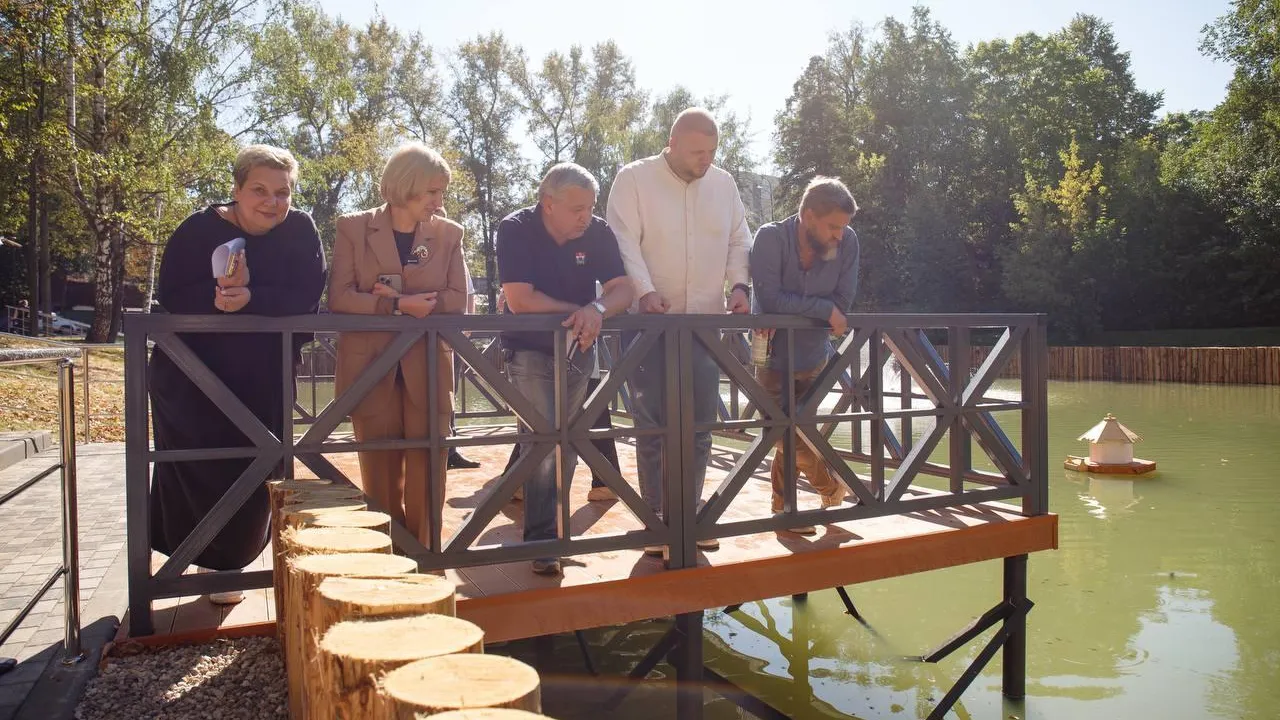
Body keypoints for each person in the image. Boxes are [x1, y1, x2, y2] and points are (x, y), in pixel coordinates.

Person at [149, 144, 326, 604]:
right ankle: (194, 561)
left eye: (282, 192)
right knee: (197, 467)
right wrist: (217, 299)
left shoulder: (302, 229)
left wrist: (252, 298)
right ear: (237, 189)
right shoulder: (196, 229)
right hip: (192, 376)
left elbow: (306, 295)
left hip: (263, 372)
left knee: (257, 466)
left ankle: (231, 567)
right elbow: (171, 293)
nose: (272, 202)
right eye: (260, 190)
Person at [606, 107, 752, 554]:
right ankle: (655, 520)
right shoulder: (633, 179)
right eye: (695, 152)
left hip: (704, 324)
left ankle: (689, 517)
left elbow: (738, 239)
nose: (704, 160)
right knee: (653, 425)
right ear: (671, 143)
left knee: (700, 424)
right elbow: (622, 240)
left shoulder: (724, 185)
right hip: (648, 325)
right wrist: (644, 292)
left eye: (711, 152)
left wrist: (741, 286)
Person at [328, 142, 468, 545]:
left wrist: (418, 304)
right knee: (379, 473)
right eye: (433, 192)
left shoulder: (449, 233)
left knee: (430, 469)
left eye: (442, 192)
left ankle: (427, 557)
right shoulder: (353, 227)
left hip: (429, 366)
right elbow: (338, 298)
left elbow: (458, 299)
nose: (440, 202)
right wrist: (397, 306)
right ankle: (386, 557)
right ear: (406, 187)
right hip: (369, 365)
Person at [498, 162, 634, 575]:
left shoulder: (596, 231)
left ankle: (551, 535)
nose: (585, 217)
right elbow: (520, 299)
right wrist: (581, 312)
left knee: (568, 441)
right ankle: (544, 543)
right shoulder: (515, 228)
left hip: (580, 351)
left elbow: (623, 289)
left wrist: (596, 310)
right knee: (543, 444)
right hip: (528, 352)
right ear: (548, 202)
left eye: (590, 207)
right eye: (576, 208)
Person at [750, 176, 861, 533]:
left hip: (815, 355)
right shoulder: (770, 237)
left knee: (795, 430)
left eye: (843, 227)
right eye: (832, 226)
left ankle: (785, 510)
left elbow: (843, 303)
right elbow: (770, 300)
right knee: (781, 429)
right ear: (808, 216)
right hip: (771, 354)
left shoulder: (849, 242)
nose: (839, 235)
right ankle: (831, 486)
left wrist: (821, 311)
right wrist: (823, 310)